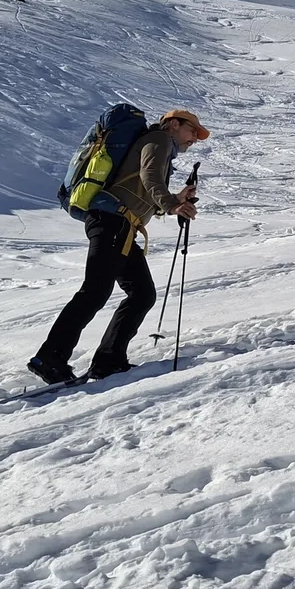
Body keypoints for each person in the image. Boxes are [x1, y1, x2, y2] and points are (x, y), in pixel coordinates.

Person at [29, 109, 208, 383]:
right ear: (174, 124)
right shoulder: (159, 139)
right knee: (96, 291)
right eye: (193, 130)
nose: (195, 138)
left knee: (141, 294)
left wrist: (174, 198)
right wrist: (174, 205)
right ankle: (50, 358)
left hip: (118, 225)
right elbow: (150, 178)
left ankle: (109, 360)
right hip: (112, 221)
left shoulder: (156, 143)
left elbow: (142, 187)